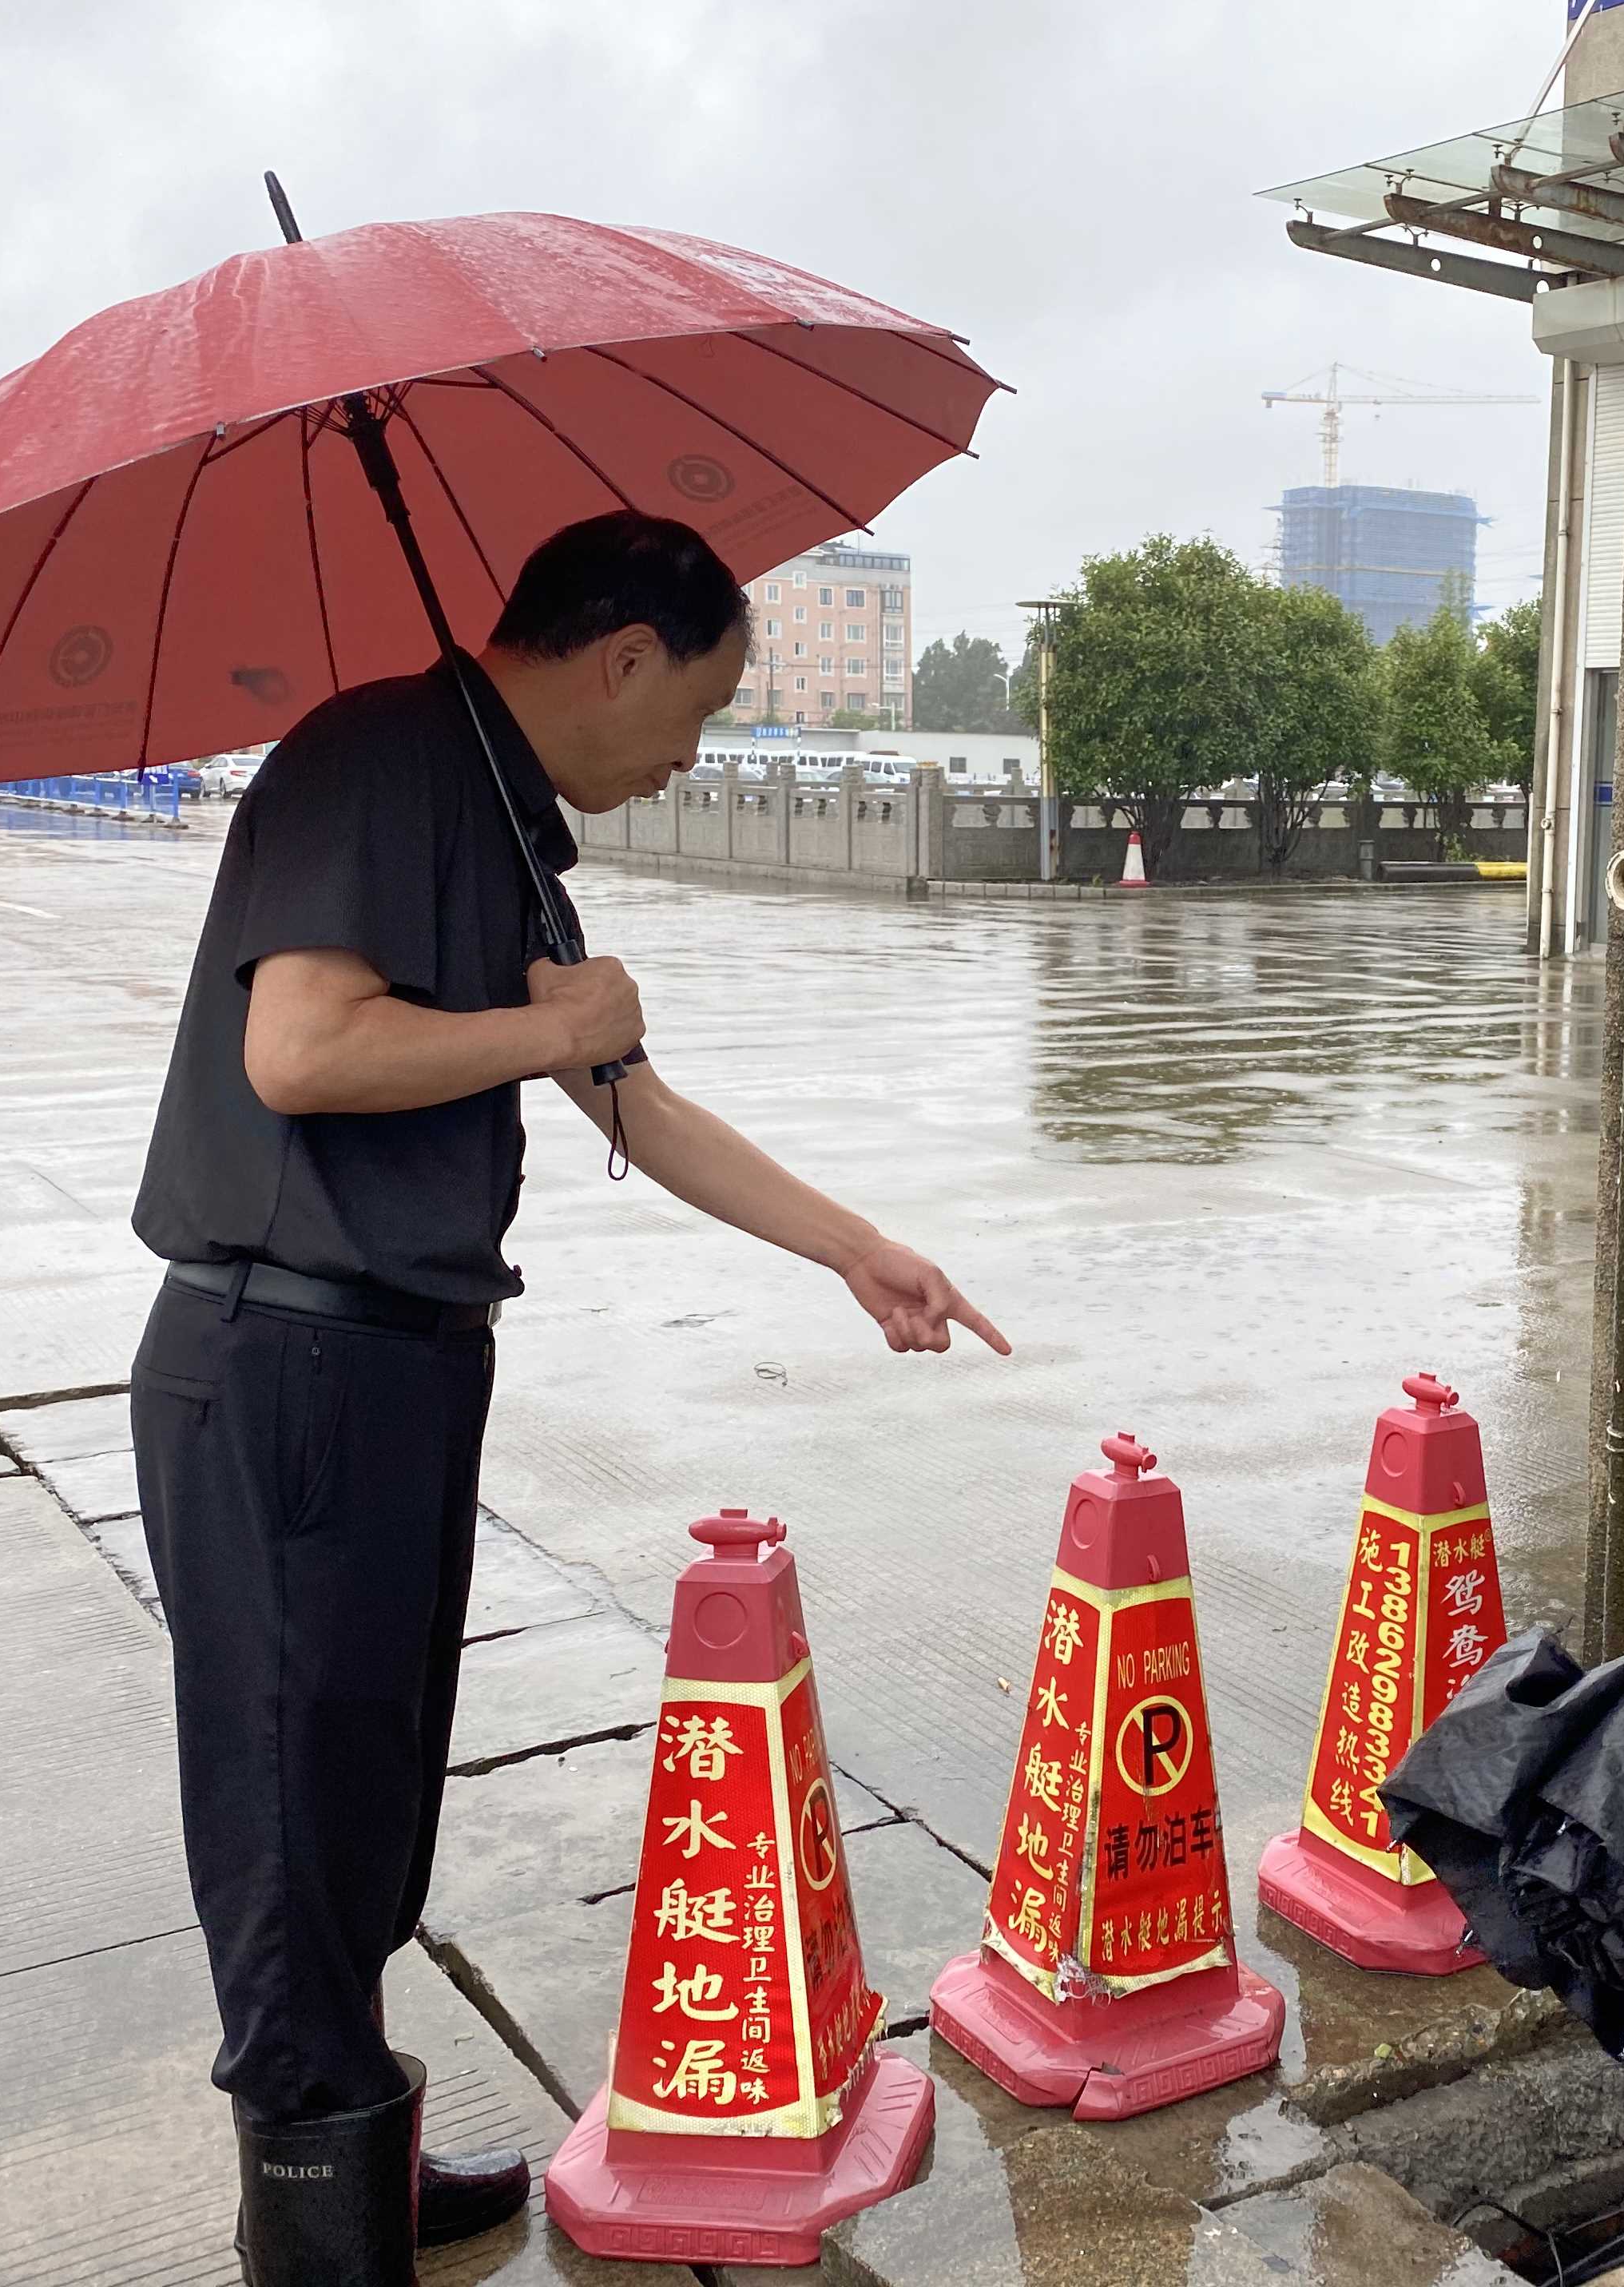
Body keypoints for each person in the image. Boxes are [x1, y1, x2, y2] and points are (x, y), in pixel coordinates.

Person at [128, 511, 1007, 2287]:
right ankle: (314, 2233)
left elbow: (632, 1101)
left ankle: (348, 2136)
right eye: (692, 711)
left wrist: (855, 1249)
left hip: (393, 1364)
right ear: (619, 654)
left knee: (366, 1795)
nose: (689, 754)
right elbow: (299, 1046)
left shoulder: (501, 814)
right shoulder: (376, 758)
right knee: (293, 1811)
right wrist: (545, 1035)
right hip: (289, 1359)